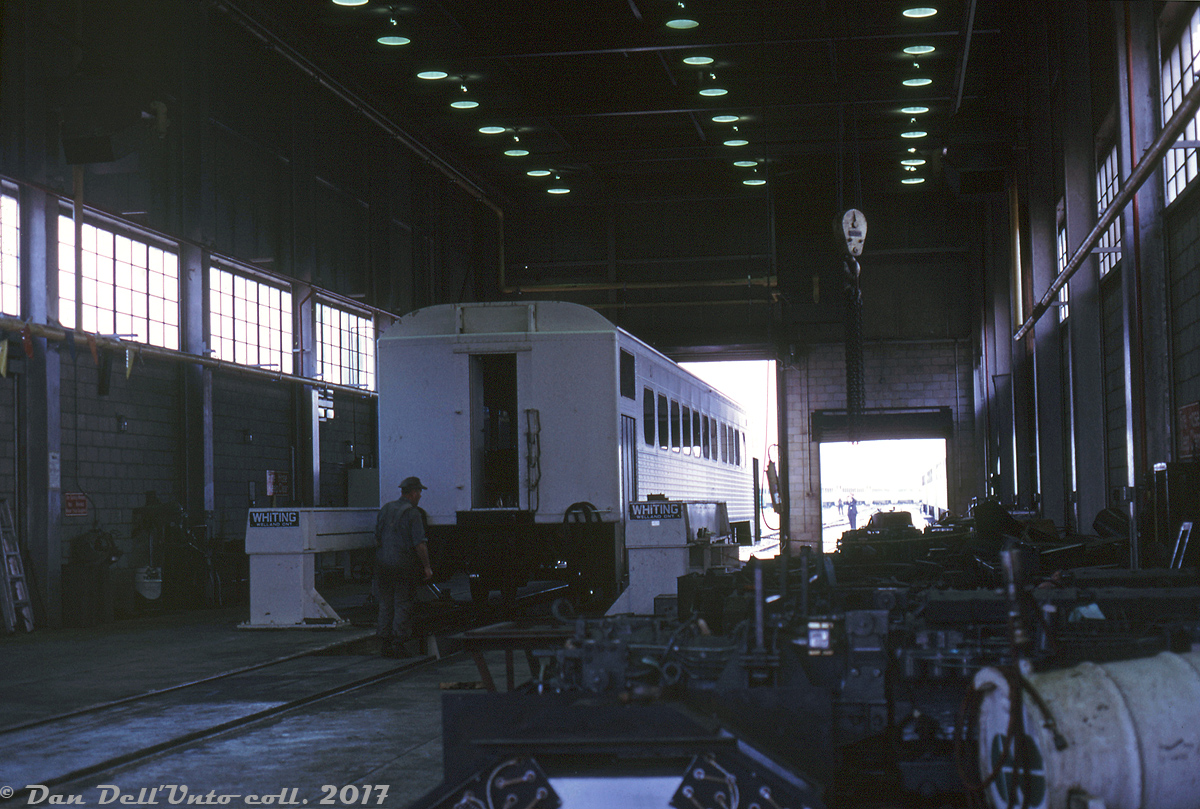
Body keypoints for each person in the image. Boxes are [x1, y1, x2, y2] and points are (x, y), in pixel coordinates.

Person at [374, 476, 433, 658]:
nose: (420, 496)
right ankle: (399, 644)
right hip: (402, 565)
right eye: (420, 492)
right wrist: (427, 567)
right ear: (413, 492)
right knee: (403, 603)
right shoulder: (413, 513)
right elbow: (419, 544)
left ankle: (384, 643)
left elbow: (377, 536)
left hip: (382, 565)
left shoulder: (385, 509)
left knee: (385, 603)